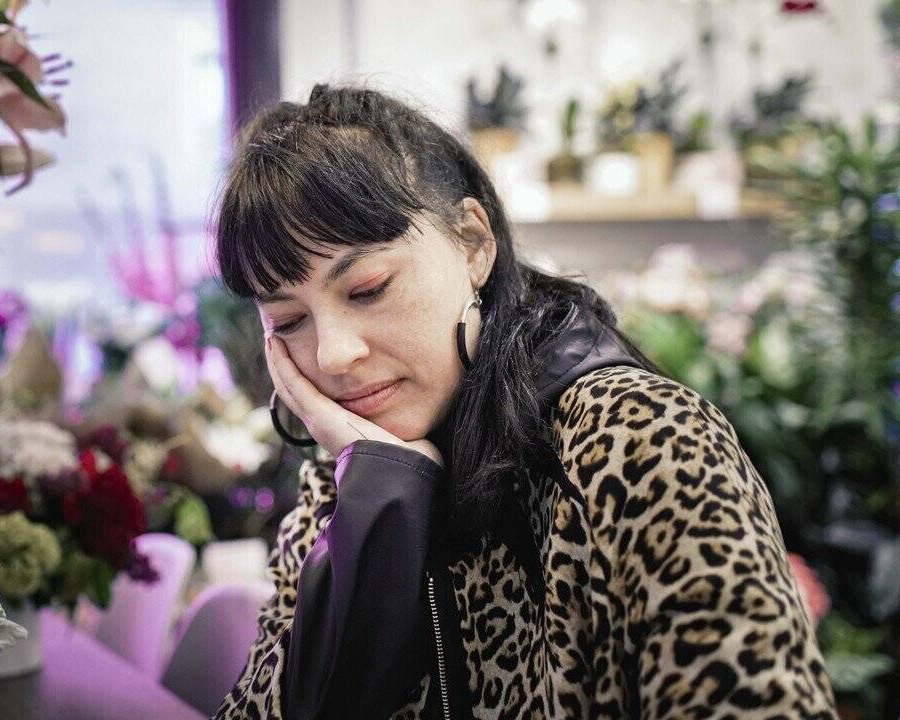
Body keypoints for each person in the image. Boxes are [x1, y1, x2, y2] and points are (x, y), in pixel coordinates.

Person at [210, 85, 836, 719]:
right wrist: (382, 513)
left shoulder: (642, 443)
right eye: (288, 321)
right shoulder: (342, 484)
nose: (332, 355)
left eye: (368, 289)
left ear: (473, 243)